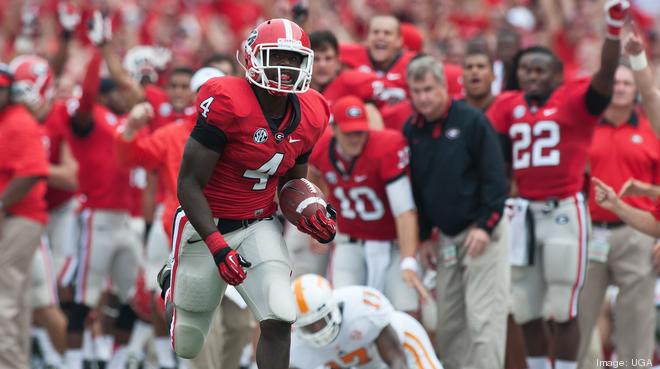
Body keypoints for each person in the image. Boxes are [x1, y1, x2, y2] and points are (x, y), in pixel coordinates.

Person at [171, 19, 336, 369]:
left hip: (259, 222)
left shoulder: (313, 111)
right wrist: (217, 245)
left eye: (294, 59)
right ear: (252, 57)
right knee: (188, 341)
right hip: (206, 222)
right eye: (277, 55)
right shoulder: (227, 100)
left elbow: (291, 184)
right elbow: (188, 184)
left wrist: (312, 210)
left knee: (279, 314)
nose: (286, 67)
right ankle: (174, 274)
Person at [486, 2, 630, 368]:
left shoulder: (574, 100)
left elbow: (607, 73)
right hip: (522, 213)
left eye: (539, 70)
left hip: (563, 210)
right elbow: (497, 161)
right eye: (526, 70)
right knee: (526, 307)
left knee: (562, 307)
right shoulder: (507, 105)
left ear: (556, 75)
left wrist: (613, 29)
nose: (531, 76)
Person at [405, 55, 510, 369]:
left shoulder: (471, 121)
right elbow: (419, 188)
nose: (423, 97)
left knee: (483, 319)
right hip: (446, 236)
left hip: (481, 230)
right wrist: (423, 237)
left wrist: (485, 225)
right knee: (448, 322)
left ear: (444, 87)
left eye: (428, 89)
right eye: (417, 90)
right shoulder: (413, 128)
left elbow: (496, 177)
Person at [308, 95, 428, 317]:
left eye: (360, 132)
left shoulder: (385, 147)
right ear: (334, 128)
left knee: (405, 311)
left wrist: (409, 259)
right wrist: (319, 216)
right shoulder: (322, 148)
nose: (355, 138)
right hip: (350, 242)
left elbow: (404, 211)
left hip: (391, 245)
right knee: (345, 310)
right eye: (349, 132)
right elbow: (312, 177)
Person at [577, 48, 659, 368]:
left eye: (627, 82)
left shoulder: (653, 129)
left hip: (638, 232)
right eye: (616, 82)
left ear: (637, 88)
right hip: (590, 230)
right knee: (580, 315)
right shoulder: (585, 128)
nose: (621, 87)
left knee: (637, 317)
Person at [461, 48, 528, 369]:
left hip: (510, 209)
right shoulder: (455, 113)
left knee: (511, 302)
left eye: (481, 66)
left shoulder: (508, 108)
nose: (475, 72)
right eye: (469, 66)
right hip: (467, 216)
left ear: (493, 75)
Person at [0, 64, 50, 369]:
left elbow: (33, 172)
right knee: (14, 299)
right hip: (16, 215)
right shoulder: (8, 120)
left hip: (19, 216)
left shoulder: (18, 121)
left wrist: (1, 203)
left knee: (5, 298)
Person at [289, 274, 443, 369]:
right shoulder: (295, 347)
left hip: (404, 345)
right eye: (309, 326)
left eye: (321, 320)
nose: (318, 329)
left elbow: (396, 360)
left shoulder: (362, 310)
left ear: (333, 307)